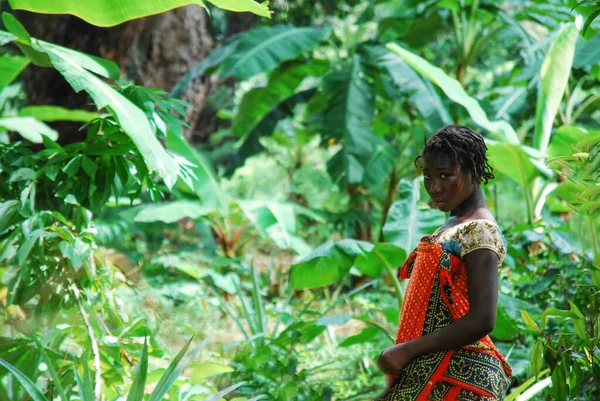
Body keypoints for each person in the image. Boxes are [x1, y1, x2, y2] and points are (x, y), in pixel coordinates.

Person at [376, 125, 512, 400]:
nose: (434, 187)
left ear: (472, 171)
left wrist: (406, 350)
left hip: (460, 378)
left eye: (445, 176)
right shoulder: (450, 226)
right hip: (434, 369)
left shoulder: (480, 230)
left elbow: (483, 319)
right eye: (428, 176)